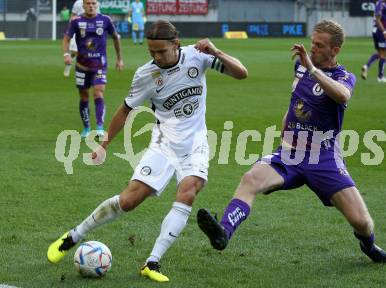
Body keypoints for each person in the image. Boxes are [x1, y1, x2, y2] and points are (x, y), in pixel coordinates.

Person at [47, 20, 248, 282]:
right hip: (163, 143)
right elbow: (125, 109)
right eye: (151, 52)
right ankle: (74, 235)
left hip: (196, 143)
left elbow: (241, 73)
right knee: (128, 201)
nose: (156, 57)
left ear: (176, 45)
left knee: (189, 189)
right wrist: (105, 143)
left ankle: (152, 263)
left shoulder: (198, 56)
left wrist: (216, 51)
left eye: (161, 51)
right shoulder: (146, 74)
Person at [197, 20, 386, 266]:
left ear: (335, 50)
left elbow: (342, 95)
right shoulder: (299, 67)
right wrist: (285, 125)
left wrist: (312, 69)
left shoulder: (344, 76)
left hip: (323, 158)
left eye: (319, 45)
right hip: (290, 153)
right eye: (313, 43)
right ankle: (223, 232)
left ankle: (369, 246)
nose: (313, 48)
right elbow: (296, 101)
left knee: (362, 222)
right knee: (250, 179)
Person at [62, 0, 123, 139]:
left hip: (99, 66)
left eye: (93, 3)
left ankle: (100, 128)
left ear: (97, 5)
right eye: (88, 3)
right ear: (83, 6)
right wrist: (66, 55)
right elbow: (66, 39)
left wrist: (119, 59)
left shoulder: (105, 20)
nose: (91, 6)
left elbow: (115, 38)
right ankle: (86, 128)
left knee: (98, 93)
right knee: (84, 96)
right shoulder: (76, 21)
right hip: (81, 66)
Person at [63, 0, 101, 77]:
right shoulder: (78, 3)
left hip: (90, 31)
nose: (91, 5)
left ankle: (88, 71)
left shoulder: (95, 2)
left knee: (91, 51)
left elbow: (98, 16)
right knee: (74, 52)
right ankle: (69, 64)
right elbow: (73, 15)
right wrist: (70, 28)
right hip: (78, 30)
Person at [361, 0, 386, 83]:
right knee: (384, 54)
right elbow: (378, 19)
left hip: (377, 31)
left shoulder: (382, 3)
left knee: (379, 53)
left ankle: (366, 66)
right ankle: (380, 77)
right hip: (380, 32)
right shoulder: (381, 3)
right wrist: (384, 31)